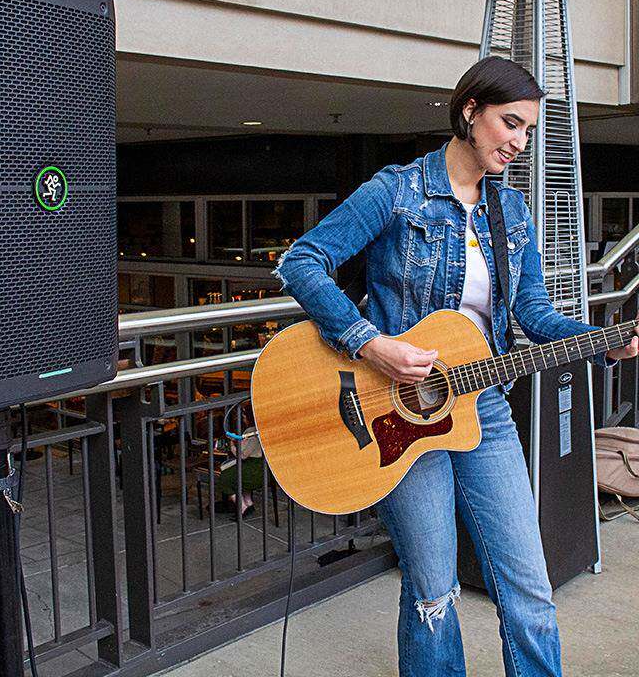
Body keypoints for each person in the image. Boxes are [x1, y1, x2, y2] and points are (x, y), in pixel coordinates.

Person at [272, 56, 639, 677]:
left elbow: (533, 313)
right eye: (511, 124)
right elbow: (300, 262)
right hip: (394, 414)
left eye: (528, 131)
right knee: (433, 589)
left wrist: (601, 341)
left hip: (482, 404)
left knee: (528, 581)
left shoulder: (511, 211)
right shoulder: (396, 191)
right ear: (471, 111)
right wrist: (370, 344)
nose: (520, 143)